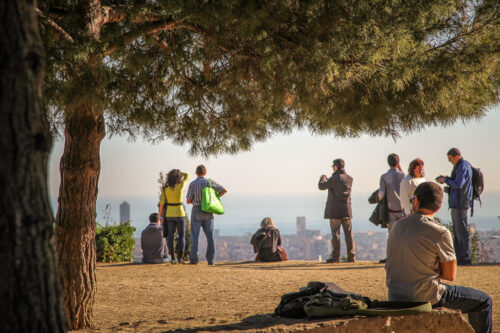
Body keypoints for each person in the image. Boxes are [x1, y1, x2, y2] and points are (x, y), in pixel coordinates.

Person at [386, 182, 492, 333]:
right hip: (425, 297)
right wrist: (429, 269)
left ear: (415, 200)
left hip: (395, 296)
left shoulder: (397, 226)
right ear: (438, 207)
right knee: (484, 301)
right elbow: (450, 275)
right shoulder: (440, 232)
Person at [436, 148, 473, 266]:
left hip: (460, 204)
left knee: (461, 231)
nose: (450, 161)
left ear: (456, 156)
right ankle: (460, 256)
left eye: (450, 158)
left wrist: (445, 180)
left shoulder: (462, 166)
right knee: (458, 231)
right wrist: (447, 179)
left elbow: (458, 184)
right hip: (458, 203)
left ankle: (465, 257)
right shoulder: (461, 166)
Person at [186, 165, 227, 265]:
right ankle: (211, 260)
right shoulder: (210, 182)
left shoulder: (192, 184)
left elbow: (188, 200)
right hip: (208, 210)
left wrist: (195, 201)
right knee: (210, 236)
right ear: (205, 172)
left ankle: (193, 260)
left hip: (196, 210)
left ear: (196, 172)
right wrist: (214, 198)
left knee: (194, 236)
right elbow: (223, 190)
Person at [318, 158, 355, 263]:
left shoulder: (334, 178)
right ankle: (351, 257)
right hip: (347, 210)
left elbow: (321, 186)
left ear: (336, 167)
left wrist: (323, 178)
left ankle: (335, 257)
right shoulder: (349, 178)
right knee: (349, 234)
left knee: (335, 234)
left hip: (335, 211)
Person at [159, 169, 189, 264]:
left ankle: (172, 258)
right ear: (178, 177)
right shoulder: (180, 186)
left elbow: (162, 203)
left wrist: (160, 216)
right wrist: (181, 173)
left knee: (170, 237)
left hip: (169, 214)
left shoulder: (165, 188)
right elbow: (187, 175)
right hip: (180, 213)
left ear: (169, 177)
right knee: (182, 236)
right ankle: (181, 258)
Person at [378, 153, 406, 230]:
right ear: (398, 163)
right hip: (402, 208)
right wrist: (401, 170)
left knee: (391, 233)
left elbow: (381, 194)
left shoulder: (384, 177)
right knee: (402, 232)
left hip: (390, 210)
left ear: (388, 163)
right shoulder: (403, 175)